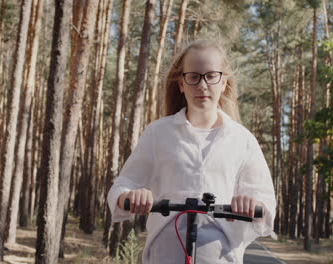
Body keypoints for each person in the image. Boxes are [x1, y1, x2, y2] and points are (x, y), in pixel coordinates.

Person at [107, 39, 276, 264]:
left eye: (211, 76)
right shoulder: (158, 133)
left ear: (223, 82)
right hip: (165, 255)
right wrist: (128, 196)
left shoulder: (242, 139)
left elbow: (265, 202)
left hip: (222, 256)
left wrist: (253, 205)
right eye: (194, 77)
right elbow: (122, 185)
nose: (202, 85)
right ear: (181, 84)